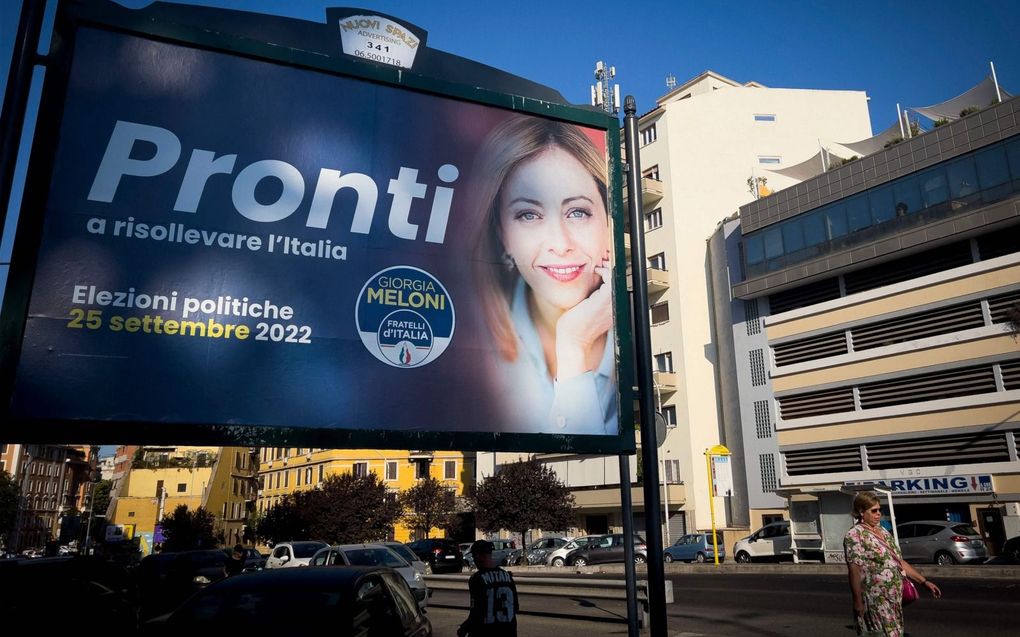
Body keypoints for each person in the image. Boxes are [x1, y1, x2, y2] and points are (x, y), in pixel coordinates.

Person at [472, 115, 616, 435]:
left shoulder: (642, 335)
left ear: (608, 220)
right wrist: (574, 343)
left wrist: (574, 344)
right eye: (529, 215)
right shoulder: (474, 358)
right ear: (502, 234)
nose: (560, 245)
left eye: (577, 212)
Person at [844, 492, 941, 636]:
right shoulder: (854, 535)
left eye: (879, 510)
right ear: (861, 511)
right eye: (874, 510)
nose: (878, 514)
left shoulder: (882, 531)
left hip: (894, 598)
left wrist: (924, 582)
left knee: (896, 633)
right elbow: (854, 571)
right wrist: (857, 601)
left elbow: (898, 561)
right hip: (876, 599)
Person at [458, 539, 519, 637]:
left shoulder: (476, 579)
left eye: (473, 556)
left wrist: (464, 628)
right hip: (509, 631)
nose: (474, 560)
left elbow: (476, 613)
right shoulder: (508, 577)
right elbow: (515, 607)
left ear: (478, 556)